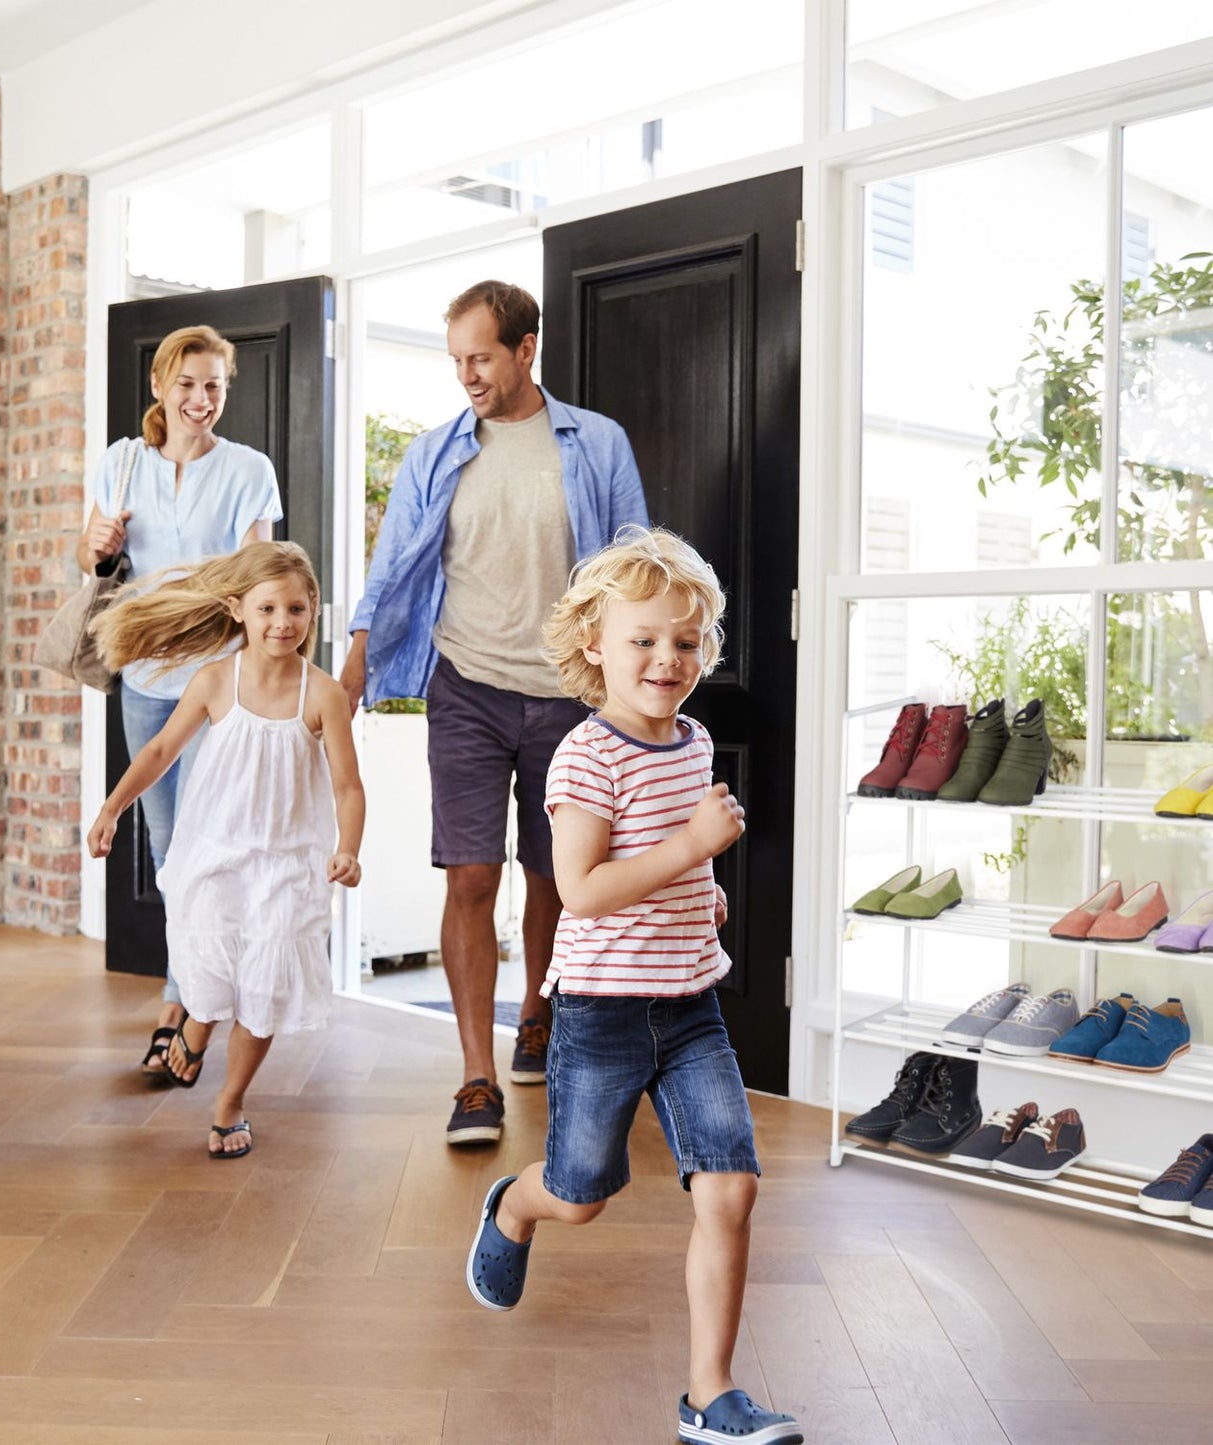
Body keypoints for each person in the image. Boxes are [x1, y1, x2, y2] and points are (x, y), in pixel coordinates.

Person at [464, 529, 802, 1445]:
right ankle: (514, 1204)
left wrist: (704, 891)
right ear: (594, 647)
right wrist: (691, 849)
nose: (667, 659)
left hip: (691, 1009)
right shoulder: (585, 757)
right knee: (581, 1192)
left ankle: (709, 1394)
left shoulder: (692, 740)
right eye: (643, 639)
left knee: (729, 1188)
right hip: (602, 1015)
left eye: (685, 642)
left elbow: (657, 863)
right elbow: (581, 889)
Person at [340, 280, 649, 1146]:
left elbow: (632, 565)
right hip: (467, 685)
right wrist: (355, 662)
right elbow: (393, 563)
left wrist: (637, 681)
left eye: (480, 357)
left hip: (568, 696)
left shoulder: (595, 443)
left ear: (525, 348)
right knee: (471, 875)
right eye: (455, 360)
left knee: (555, 876)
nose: (466, 375)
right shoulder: (435, 452)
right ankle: (475, 1076)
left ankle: (538, 1012)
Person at [86, 541, 364, 1156]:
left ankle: (229, 1103)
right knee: (209, 965)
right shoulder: (215, 681)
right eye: (267, 609)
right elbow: (159, 751)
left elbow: (348, 785)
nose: (282, 623)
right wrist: (112, 807)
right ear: (238, 610)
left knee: (263, 991)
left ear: (313, 609)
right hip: (214, 852)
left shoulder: (323, 696)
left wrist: (348, 848)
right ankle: (195, 1026)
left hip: (289, 863)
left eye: (296, 609)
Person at [76, 325, 282, 1083]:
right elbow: (88, 559)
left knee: (210, 845)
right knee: (169, 854)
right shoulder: (119, 462)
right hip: (142, 678)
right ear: (161, 384)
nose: (202, 400)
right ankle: (190, 989)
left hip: (214, 683)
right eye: (189, 384)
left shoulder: (248, 469)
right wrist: (96, 541)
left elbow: (260, 575)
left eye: (215, 386)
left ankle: (182, 1004)